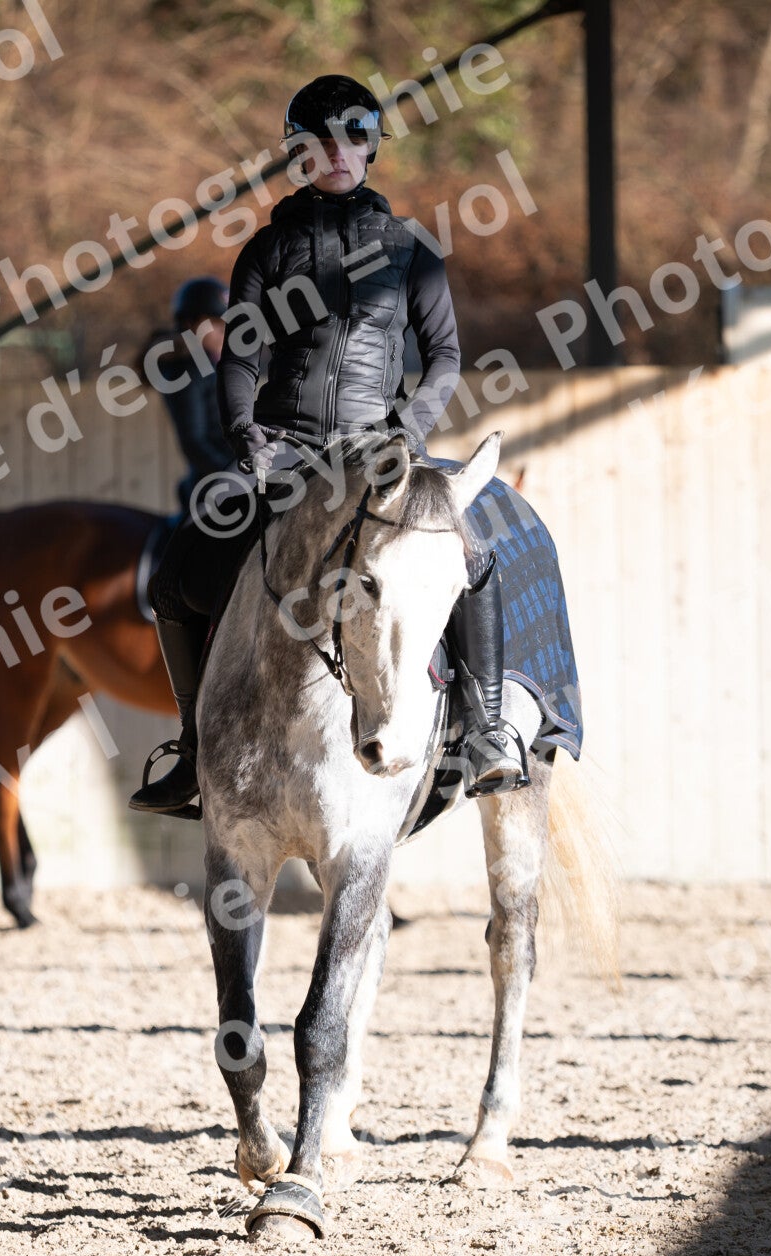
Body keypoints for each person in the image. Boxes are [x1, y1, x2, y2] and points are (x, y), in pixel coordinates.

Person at [128, 73, 528, 816]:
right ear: (299, 155)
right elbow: (241, 359)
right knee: (175, 575)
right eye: (319, 142)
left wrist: (407, 432)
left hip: (379, 448)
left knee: (473, 558)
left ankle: (486, 731)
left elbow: (444, 355)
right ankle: (192, 747)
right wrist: (247, 435)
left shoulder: (412, 251)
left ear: (370, 147)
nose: (336, 152)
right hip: (284, 449)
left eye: (351, 138)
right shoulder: (265, 250)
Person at [151, 277, 236, 509]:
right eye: (215, 323)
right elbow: (194, 442)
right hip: (214, 486)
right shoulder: (187, 372)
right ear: (190, 323)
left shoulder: (213, 367)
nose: (224, 331)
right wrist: (236, 477)